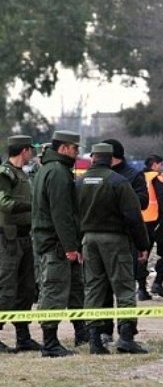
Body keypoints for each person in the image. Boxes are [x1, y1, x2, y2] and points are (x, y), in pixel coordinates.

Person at [77, 143, 150, 354]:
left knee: (93, 288)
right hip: (115, 240)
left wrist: (75, 244)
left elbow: (72, 216)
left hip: (88, 240)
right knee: (124, 287)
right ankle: (126, 338)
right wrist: (142, 244)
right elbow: (133, 216)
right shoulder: (119, 182)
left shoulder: (79, 182)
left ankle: (94, 340)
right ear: (111, 160)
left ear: (92, 158)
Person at [31, 130, 87, 357]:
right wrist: (71, 247)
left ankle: (81, 333)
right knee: (54, 291)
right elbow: (61, 215)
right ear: (64, 148)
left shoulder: (51, 169)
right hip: (56, 245)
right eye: (75, 148)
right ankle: (50, 342)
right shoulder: (57, 173)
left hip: (58, 244)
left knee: (75, 290)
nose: (77, 153)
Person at [0, 135, 41, 352]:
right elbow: (4, 203)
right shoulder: (5, 173)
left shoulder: (22, 173)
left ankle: (23, 336)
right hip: (8, 239)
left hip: (24, 237)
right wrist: (32, 205)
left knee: (26, 289)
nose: (32, 153)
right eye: (30, 150)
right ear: (23, 151)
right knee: (6, 288)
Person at [136, 154, 163, 300]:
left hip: (141, 223)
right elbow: (162, 200)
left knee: (142, 256)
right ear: (154, 165)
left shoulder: (138, 177)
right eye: (161, 165)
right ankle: (157, 283)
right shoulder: (157, 178)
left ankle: (141, 289)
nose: (162, 168)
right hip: (157, 222)